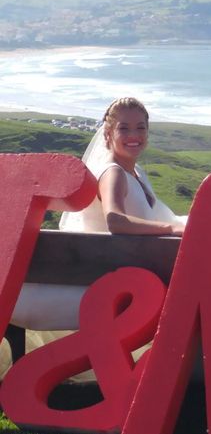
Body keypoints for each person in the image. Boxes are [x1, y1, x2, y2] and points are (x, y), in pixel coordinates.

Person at [10, 97, 186, 332]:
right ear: (108, 134)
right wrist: (172, 230)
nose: (134, 135)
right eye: (124, 128)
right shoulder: (113, 173)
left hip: (118, 272)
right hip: (97, 282)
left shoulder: (136, 172)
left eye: (140, 127)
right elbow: (115, 221)